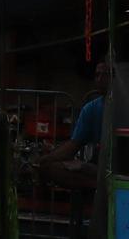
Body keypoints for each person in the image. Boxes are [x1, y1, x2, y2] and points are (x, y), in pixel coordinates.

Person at [40, 61, 109, 237]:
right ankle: (99, 185)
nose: (100, 79)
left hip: (120, 169)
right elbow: (73, 144)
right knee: (51, 167)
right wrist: (47, 160)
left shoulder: (126, 106)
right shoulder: (91, 109)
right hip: (96, 171)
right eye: (97, 75)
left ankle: (104, 184)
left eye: (105, 75)